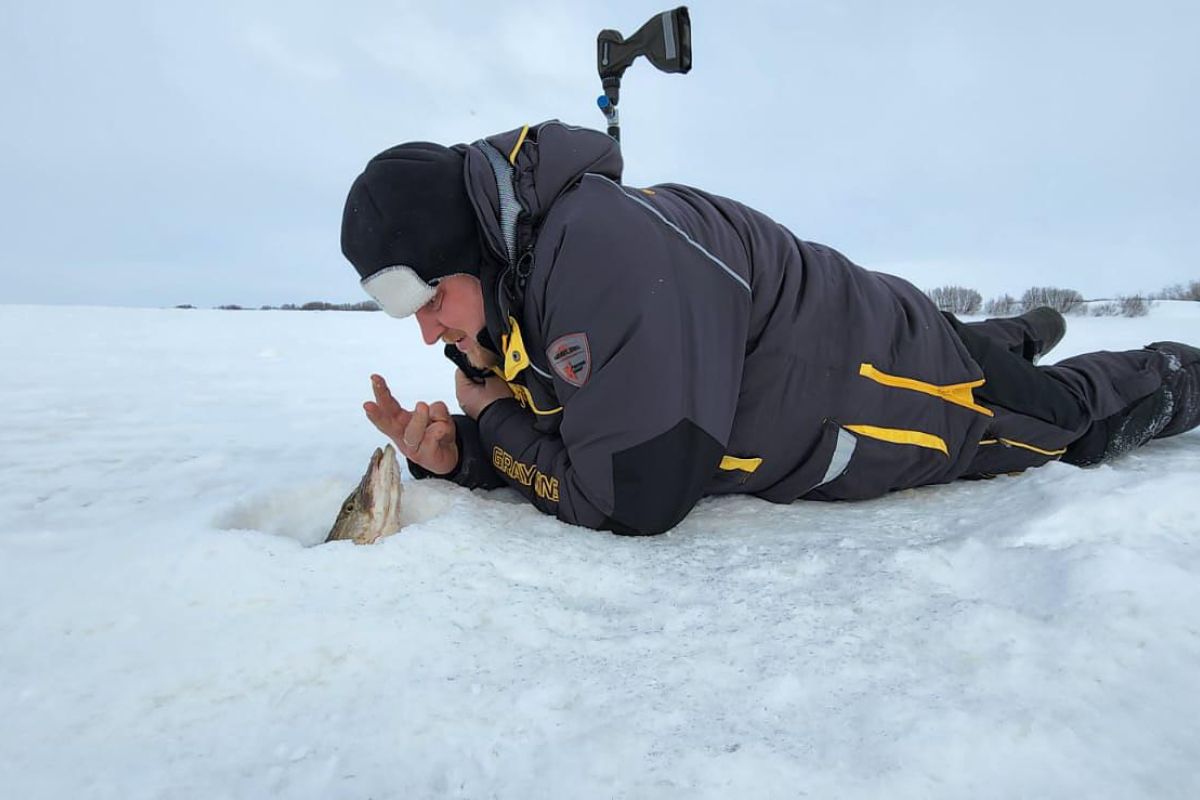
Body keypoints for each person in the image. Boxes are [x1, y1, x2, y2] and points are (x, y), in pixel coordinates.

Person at [339, 120, 1200, 536]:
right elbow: (594, 414)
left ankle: (1171, 367)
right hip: (867, 332)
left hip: (898, 379)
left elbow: (634, 492)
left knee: (1068, 422)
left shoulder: (593, 251)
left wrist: (495, 419)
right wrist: (471, 449)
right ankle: (1017, 330)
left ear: (471, 247)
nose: (425, 334)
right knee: (982, 350)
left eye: (427, 300)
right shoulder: (538, 269)